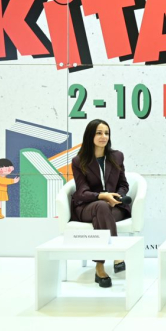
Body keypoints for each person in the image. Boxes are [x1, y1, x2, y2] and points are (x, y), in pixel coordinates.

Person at [71, 119, 129, 288]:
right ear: (90, 135)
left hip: (114, 207)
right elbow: (82, 192)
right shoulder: (79, 161)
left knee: (102, 215)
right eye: (99, 133)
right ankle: (117, 253)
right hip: (87, 206)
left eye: (106, 133)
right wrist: (102, 196)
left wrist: (117, 196)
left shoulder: (117, 156)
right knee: (101, 207)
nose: (104, 136)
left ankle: (99, 266)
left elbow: (123, 184)